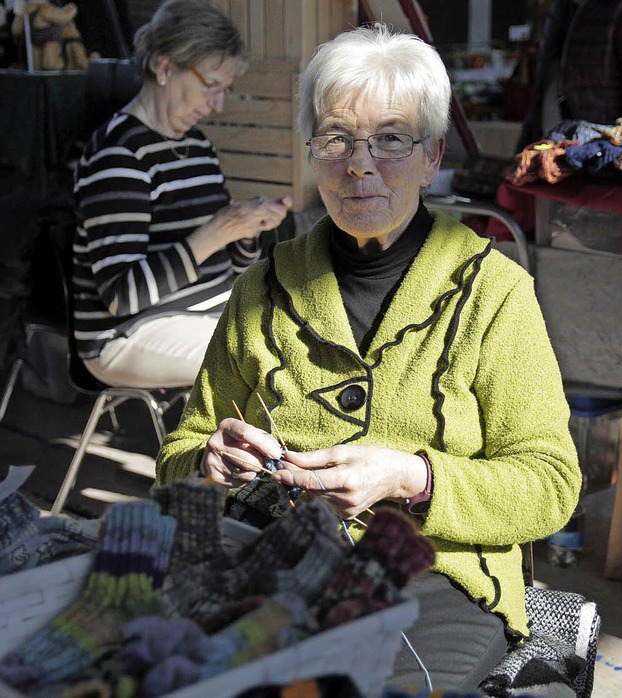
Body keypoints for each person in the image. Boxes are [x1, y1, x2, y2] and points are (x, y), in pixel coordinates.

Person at [156, 24, 581, 692]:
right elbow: (179, 452)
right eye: (335, 138)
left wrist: (414, 477)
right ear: (311, 153)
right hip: (276, 561)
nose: (360, 164)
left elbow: (552, 485)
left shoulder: (493, 293)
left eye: (390, 138)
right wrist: (209, 464)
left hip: (436, 581)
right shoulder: (261, 290)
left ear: (431, 153)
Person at [73, 0, 291, 389]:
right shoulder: (118, 156)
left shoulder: (197, 146)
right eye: (211, 86)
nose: (218, 105)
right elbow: (121, 297)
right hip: (126, 335)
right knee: (266, 361)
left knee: (316, 335)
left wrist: (245, 231)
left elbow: (234, 268)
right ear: (164, 67)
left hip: (208, 312)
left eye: (225, 90)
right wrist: (212, 235)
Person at [517, 0, 622, 151]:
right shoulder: (563, 8)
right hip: (556, 146)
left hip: (600, 152)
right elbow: (545, 81)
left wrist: (621, 149)